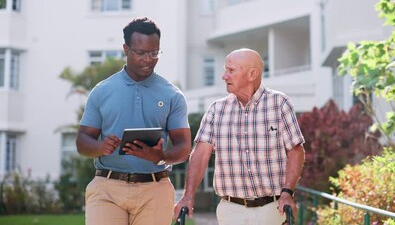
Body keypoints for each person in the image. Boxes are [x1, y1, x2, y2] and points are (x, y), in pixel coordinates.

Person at [76, 17, 192, 225]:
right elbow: (83, 141)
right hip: (107, 188)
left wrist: (161, 156)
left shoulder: (172, 95)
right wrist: (101, 147)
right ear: (126, 49)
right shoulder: (102, 91)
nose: (148, 59)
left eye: (154, 52)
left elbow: (184, 147)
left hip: (155, 189)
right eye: (140, 53)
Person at [174, 48, 305, 225]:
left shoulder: (279, 104)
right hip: (231, 210)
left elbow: (296, 151)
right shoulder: (216, 110)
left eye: (231, 70)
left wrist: (288, 192)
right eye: (225, 70)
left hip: (272, 208)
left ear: (252, 74)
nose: (224, 76)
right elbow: (200, 154)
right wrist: (187, 196)